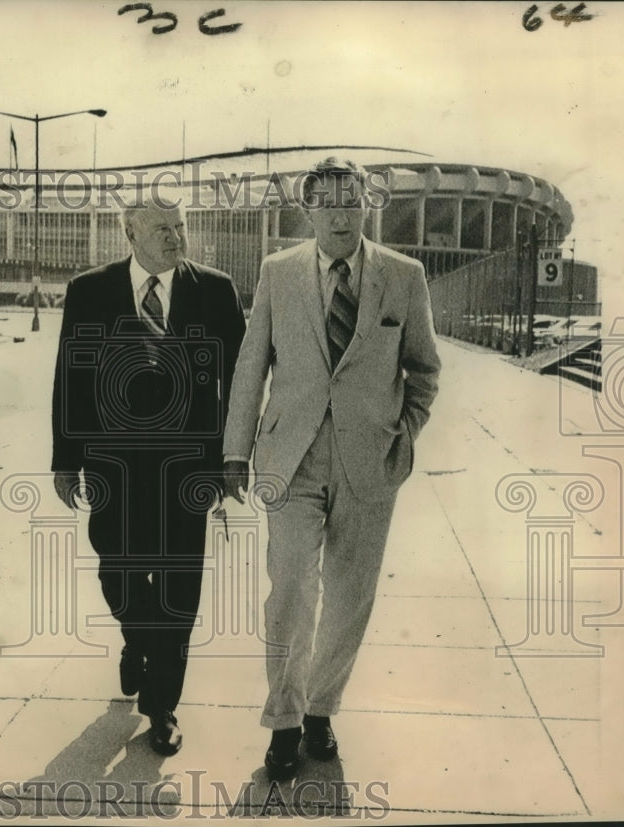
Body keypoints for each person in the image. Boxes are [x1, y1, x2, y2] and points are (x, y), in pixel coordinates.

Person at [223, 158, 441, 779]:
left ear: (368, 205)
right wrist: (236, 451)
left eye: (353, 202)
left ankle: (321, 711)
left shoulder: (405, 276)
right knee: (290, 587)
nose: (342, 215)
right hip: (291, 458)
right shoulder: (278, 272)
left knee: (350, 595)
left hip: (369, 462)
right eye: (329, 205)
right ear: (309, 211)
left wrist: (404, 436)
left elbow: (424, 371)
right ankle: (284, 722)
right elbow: (251, 365)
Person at [51, 194, 246, 755]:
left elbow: (238, 381)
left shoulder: (216, 290)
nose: (174, 237)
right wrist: (66, 460)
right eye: (161, 228)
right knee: (117, 568)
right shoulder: (89, 291)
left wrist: (233, 457)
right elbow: (70, 378)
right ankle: (137, 638)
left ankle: (163, 705)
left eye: (180, 226)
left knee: (180, 586)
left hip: (189, 469)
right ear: (129, 234)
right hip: (112, 467)